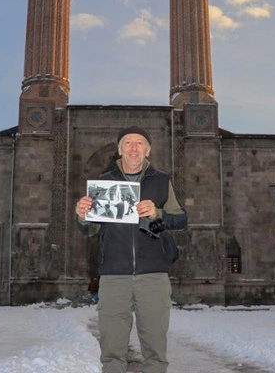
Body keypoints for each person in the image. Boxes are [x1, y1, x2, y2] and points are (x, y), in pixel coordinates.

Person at [75, 126, 186, 373]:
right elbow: (90, 230)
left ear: (148, 150)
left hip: (153, 276)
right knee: (112, 352)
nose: (133, 148)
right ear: (119, 149)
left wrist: (158, 213)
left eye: (139, 143)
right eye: (127, 143)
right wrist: (83, 216)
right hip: (114, 276)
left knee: (155, 352)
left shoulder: (161, 181)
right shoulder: (104, 183)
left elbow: (180, 219)